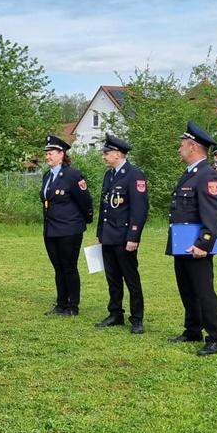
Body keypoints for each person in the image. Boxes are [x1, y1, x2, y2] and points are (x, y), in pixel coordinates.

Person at [167, 120, 217, 356]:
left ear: (192, 147)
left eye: (182, 145)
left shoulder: (207, 175)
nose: (179, 149)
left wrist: (204, 243)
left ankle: (215, 338)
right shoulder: (191, 173)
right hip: (182, 242)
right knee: (187, 288)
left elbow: (214, 214)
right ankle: (192, 329)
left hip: (197, 244)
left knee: (203, 291)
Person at [94, 133, 149, 334]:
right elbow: (105, 206)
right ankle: (115, 312)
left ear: (117, 154)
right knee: (112, 278)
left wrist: (133, 237)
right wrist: (100, 232)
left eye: (106, 153)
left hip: (125, 237)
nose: (103, 156)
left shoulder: (134, 175)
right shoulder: (109, 175)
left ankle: (137, 318)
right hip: (109, 235)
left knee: (131, 278)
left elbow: (139, 209)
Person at [39, 134, 92, 317]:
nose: (47, 156)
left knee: (69, 267)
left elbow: (85, 201)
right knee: (58, 268)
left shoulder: (72, 174)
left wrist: (82, 221)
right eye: (46, 153)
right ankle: (61, 304)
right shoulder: (47, 176)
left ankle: (72, 306)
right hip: (51, 229)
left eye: (51, 153)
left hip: (69, 229)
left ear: (61, 154)